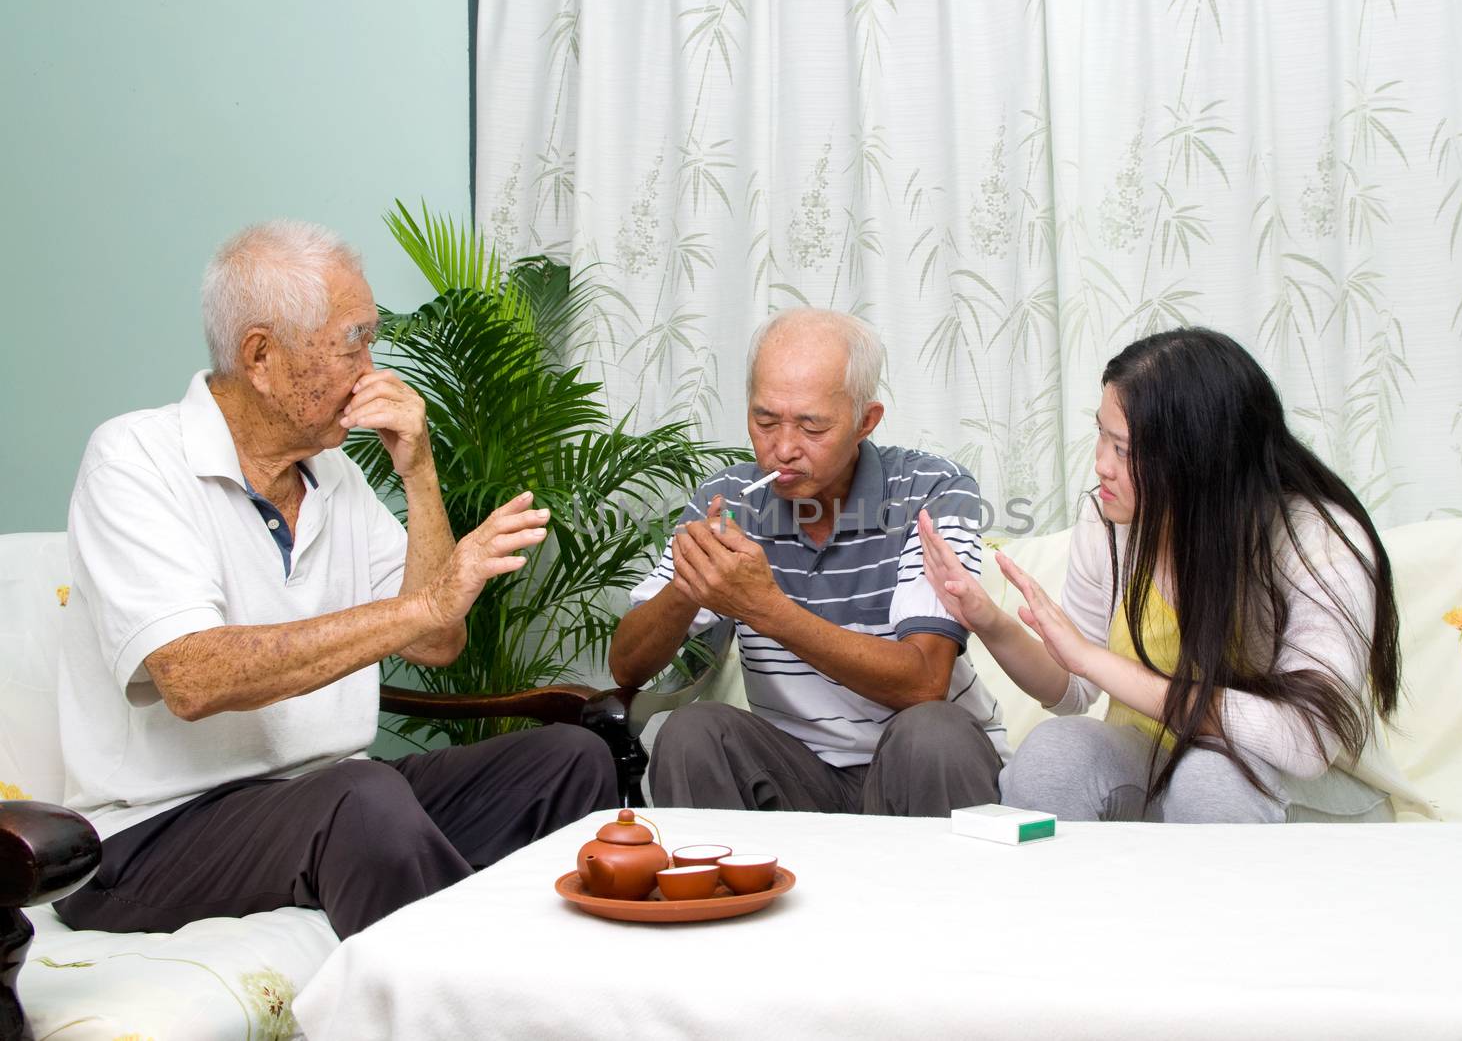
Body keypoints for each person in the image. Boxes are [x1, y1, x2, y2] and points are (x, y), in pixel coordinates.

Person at [55, 221, 616, 939]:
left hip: (326, 799)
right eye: (354, 340)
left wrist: (418, 473)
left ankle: (534, 971)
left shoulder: (337, 477)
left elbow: (437, 640)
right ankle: (471, 998)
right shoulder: (135, 458)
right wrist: (428, 602)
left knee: (568, 760)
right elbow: (193, 678)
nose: (372, 365)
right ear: (261, 355)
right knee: (362, 797)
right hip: (155, 835)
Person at [918, 327, 1434, 822]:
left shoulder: (1313, 540)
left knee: (1210, 774)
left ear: (1198, 458)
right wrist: (990, 621)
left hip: (1306, 790)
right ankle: (1068, 910)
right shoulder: (1108, 522)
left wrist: (1095, 661)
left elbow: (1303, 742)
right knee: (1054, 755)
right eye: (1101, 435)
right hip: (1163, 767)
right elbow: (1075, 688)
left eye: (1123, 449)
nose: (1101, 465)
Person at [609, 308, 1007, 816]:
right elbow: (626, 666)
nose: (783, 450)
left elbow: (924, 681)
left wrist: (764, 607)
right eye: (764, 420)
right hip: (795, 770)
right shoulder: (726, 498)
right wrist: (689, 585)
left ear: (866, 421)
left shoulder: (931, 490)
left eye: (812, 426)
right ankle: (726, 897)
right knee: (692, 732)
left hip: (922, 763)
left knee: (934, 731)